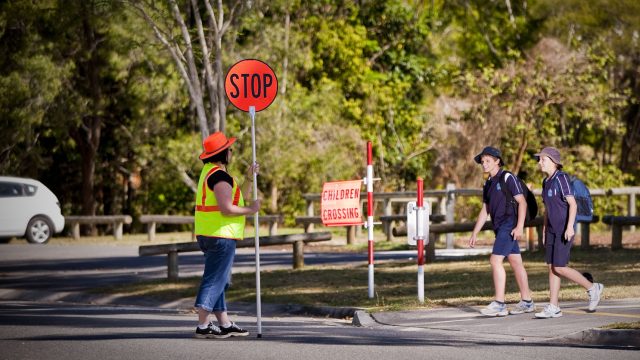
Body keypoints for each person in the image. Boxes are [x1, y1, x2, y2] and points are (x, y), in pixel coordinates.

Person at [193, 131, 261, 338]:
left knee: (218, 279)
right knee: (215, 279)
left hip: (211, 233)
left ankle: (224, 322)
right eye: (229, 149)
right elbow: (227, 208)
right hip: (220, 235)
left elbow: (239, 197)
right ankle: (203, 324)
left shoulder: (211, 172)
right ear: (222, 153)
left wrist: (249, 178)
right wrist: (252, 210)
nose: (232, 151)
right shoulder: (219, 176)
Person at [533, 147, 604, 318]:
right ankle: (554, 306)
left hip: (564, 230)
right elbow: (547, 209)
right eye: (539, 159)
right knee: (552, 267)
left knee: (560, 267)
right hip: (551, 230)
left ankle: (593, 288)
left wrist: (570, 227)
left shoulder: (561, 178)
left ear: (554, 162)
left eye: (543, 159)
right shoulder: (545, 181)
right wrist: (544, 228)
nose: (539, 162)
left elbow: (572, 204)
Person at [469, 146, 535, 316]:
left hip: (509, 224)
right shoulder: (488, 183)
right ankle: (527, 301)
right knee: (515, 262)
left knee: (495, 261)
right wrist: (475, 232)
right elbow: (485, 210)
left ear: (497, 161)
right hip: (499, 227)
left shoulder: (507, 177)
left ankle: (499, 303)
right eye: (482, 161)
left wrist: (519, 226)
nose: (484, 164)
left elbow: (522, 202)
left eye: (487, 161)